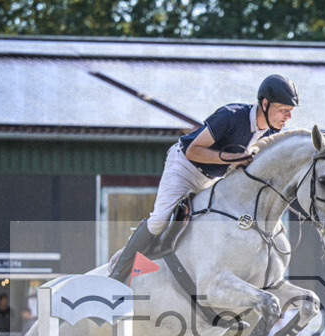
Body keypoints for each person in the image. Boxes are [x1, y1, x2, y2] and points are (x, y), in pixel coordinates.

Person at [108, 75, 299, 282]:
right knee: (159, 221)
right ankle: (117, 274)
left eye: (290, 111)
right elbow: (193, 151)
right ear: (264, 103)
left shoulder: (271, 134)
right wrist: (230, 158)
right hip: (184, 167)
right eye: (283, 109)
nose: (288, 116)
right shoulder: (231, 116)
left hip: (212, 179)